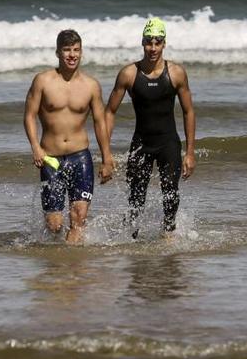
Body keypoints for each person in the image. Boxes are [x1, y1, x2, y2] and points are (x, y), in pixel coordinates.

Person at [103, 17, 196, 238]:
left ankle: (168, 235)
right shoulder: (129, 74)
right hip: (141, 144)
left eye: (157, 42)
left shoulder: (176, 73)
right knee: (135, 198)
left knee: (171, 194)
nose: (152, 48)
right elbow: (109, 112)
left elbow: (189, 111)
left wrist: (190, 153)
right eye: (148, 42)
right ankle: (131, 239)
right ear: (142, 43)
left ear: (164, 44)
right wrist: (106, 152)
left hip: (168, 143)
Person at [24, 29, 114, 244]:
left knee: (79, 217)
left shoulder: (91, 85)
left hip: (80, 157)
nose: (72, 55)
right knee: (54, 224)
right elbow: (29, 116)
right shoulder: (42, 81)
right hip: (51, 159)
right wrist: (35, 146)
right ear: (58, 52)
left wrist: (107, 157)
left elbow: (100, 122)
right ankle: (56, 257)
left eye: (76, 50)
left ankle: (71, 267)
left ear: (81, 52)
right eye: (67, 50)